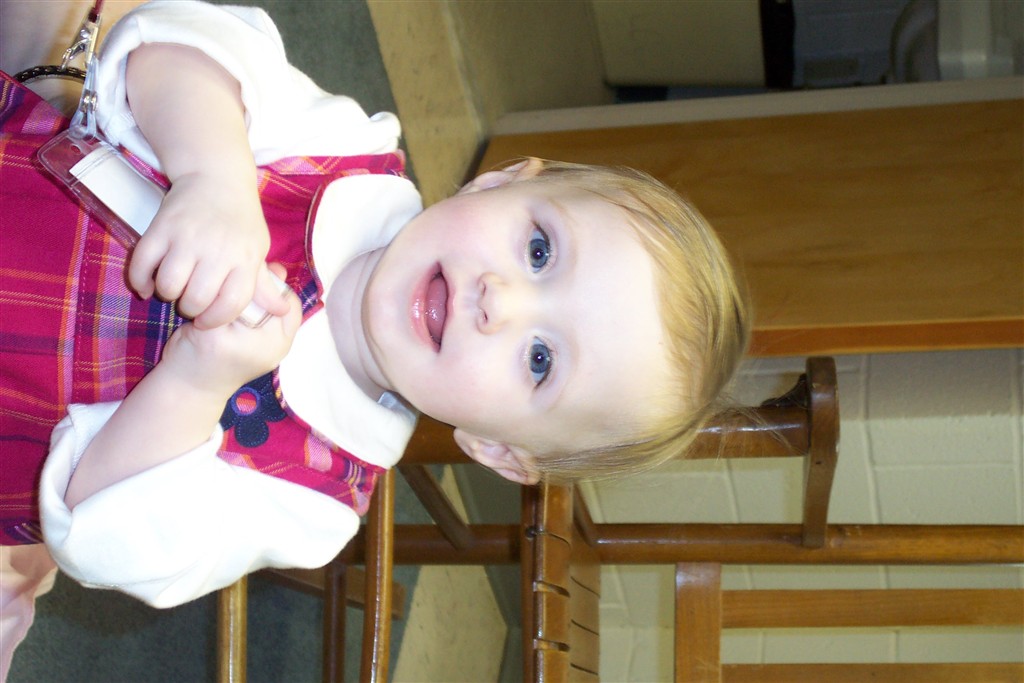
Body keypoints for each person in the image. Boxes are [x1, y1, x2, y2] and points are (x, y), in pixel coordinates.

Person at [0, 1, 749, 678]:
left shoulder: (316, 499)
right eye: (540, 250)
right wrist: (214, 177)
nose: (501, 300)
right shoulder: (343, 149)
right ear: (500, 183)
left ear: (497, 449)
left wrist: (195, 383)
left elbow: (101, 534)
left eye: (541, 359)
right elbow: (170, 44)